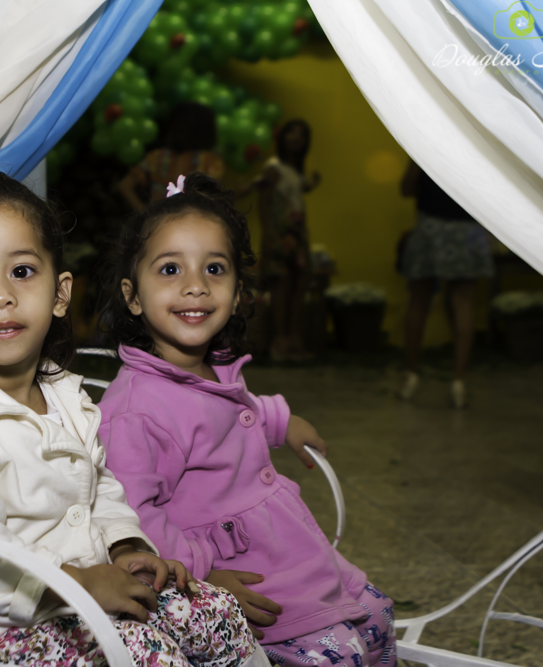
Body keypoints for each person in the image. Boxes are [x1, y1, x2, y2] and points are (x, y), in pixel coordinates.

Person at [0, 170, 269, 667]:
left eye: (20, 271)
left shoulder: (63, 393)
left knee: (216, 612)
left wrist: (124, 546)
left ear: (60, 294)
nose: (0, 296)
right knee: (144, 650)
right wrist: (77, 584)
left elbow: (98, 487)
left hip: (79, 599)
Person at [97, 172, 396, 667]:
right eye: (170, 270)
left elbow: (235, 411)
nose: (195, 286)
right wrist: (200, 576)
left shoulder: (211, 365)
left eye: (214, 268)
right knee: (337, 654)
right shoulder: (135, 409)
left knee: (380, 617)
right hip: (237, 572)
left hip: (284, 550)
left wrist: (281, 420)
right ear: (132, 295)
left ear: (237, 293)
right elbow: (132, 516)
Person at [397, 159, 494, 408]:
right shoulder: (474, 149)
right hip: (468, 230)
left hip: (429, 226)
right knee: (463, 304)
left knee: (418, 302)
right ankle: (459, 380)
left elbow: (406, 189)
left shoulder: (423, 144)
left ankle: (411, 374)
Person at [245, 119, 321, 361]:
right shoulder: (273, 167)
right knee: (281, 286)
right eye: (291, 133)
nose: (296, 139)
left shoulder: (295, 170)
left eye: (301, 135)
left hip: (297, 235)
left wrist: (311, 185)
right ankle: (280, 343)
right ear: (282, 137)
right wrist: (268, 234)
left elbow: (296, 191)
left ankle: (294, 340)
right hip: (280, 233)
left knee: (299, 286)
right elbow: (264, 200)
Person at [118, 102, 225, 211]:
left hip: (159, 222)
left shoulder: (157, 156)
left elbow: (124, 185)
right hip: (192, 223)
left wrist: (144, 212)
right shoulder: (210, 161)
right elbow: (214, 197)